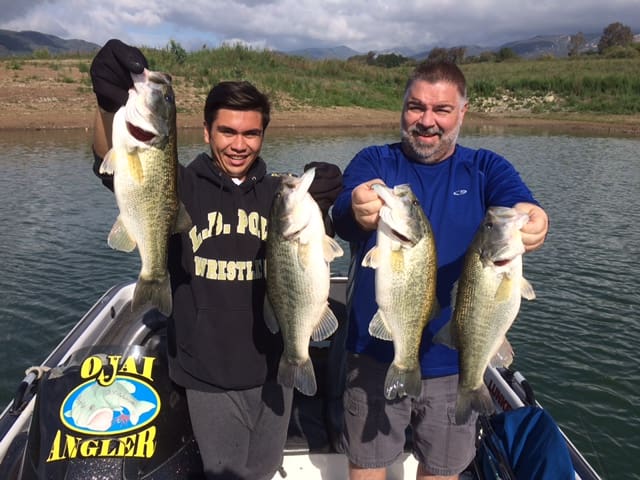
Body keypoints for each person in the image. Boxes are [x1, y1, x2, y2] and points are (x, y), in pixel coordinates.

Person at [89, 39, 343, 479]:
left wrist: (326, 198)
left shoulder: (279, 196)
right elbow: (105, 158)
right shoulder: (178, 183)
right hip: (206, 373)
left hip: (273, 368)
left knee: (263, 470)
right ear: (207, 132)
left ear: (263, 134)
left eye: (251, 133)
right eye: (227, 131)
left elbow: (314, 253)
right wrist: (107, 103)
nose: (239, 145)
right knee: (225, 473)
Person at [331, 60, 549, 480]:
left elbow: (519, 203)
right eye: (416, 107)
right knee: (367, 464)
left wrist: (533, 219)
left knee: (443, 470)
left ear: (462, 112)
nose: (426, 121)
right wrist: (356, 209)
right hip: (375, 355)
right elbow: (344, 212)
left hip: (455, 359)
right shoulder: (375, 159)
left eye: (441, 110)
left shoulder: (486, 167)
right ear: (402, 108)